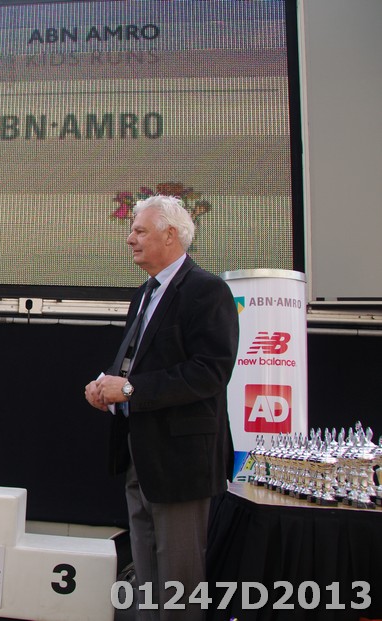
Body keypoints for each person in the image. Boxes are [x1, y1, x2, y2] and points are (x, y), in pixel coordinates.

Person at [84, 195, 239, 621]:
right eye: (132, 230)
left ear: (170, 235)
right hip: (139, 455)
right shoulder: (144, 294)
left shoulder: (207, 291)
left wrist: (129, 389)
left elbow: (209, 372)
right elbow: (137, 364)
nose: (129, 238)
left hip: (181, 462)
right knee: (147, 574)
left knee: (179, 581)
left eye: (139, 230)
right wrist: (106, 385)